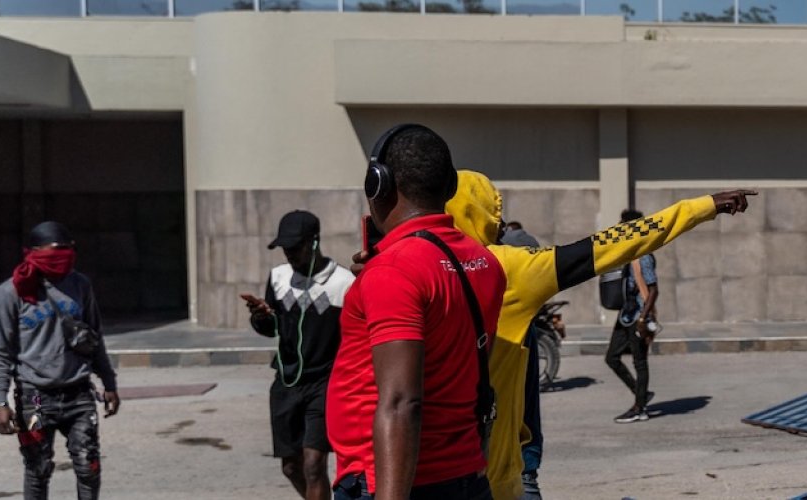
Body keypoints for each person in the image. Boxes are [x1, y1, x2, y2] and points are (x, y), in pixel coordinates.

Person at [441, 170, 755, 499]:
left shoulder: (406, 265)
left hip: (431, 475)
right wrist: (702, 207)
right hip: (500, 475)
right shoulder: (507, 267)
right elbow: (617, 242)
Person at [329, 124, 507, 500]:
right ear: (450, 186)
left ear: (379, 184)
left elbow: (401, 401)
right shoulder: (484, 264)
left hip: (390, 482)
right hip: (466, 475)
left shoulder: (395, 271)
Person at [0, 221, 118, 500]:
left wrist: (109, 382)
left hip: (78, 394)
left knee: (89, 466)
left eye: (68, 250)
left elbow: (95, 337)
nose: (63, 257)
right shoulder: (10, 293)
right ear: (34, 252)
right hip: (34, 398)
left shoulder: (80, 285)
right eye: (56, 251)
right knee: (38, 469)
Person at [243, 210, 356, 500]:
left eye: (295, 247)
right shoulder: (279, 278)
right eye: (285, 248)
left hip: (324, 384)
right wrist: (261, 317)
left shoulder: (343, 283)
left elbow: (353, 339)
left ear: (314, 242)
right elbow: (271, 329)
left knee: (313, 465)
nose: (289, 254)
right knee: (291, 467)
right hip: (287, 382)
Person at [606, 209, 662, 424]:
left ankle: (640, 408)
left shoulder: (643, 255)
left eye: (623, 226)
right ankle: (642, 394)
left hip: (639, 315)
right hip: (626, 315)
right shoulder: (629, 253)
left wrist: (643, 319)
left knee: (640, 362)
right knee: (611, 357)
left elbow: (654, 289)